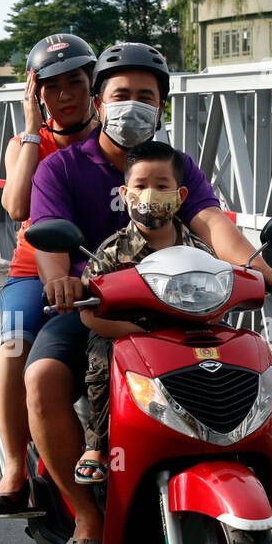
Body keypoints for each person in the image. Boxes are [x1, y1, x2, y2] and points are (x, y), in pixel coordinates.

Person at [26, 42, 272, 544]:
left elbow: (213, 224)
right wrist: (61, 284)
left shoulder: (177, 166)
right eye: (121, 94)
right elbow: (50, 249)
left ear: (162, 107)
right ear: (99, 102)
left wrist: (259, 269)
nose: (133, 105)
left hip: (177, 310)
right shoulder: (60, 168)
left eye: (145, 96)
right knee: (40, 379)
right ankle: (86, 517)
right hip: (97, 309)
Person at [0, 32, 99, 517]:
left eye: (75, 82)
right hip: (37, 272)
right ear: (37, 93)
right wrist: (33, 129)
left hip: (105, 267)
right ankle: (14, 465)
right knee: (16, 340)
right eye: (51, 87)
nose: (66, 95)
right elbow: (15, 207)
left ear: (94, 85)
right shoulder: (27, 143)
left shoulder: (115, 137)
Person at [75, 140, 212, 487]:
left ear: (180, 195)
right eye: (141, 186)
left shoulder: (198, 250)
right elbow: (90, 314)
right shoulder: (110, 251)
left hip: (183, 336)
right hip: (124, 336)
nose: (150, 194)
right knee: (105, 361)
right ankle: (97, 446)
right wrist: (132, 335)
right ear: (125, 192)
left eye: (161, 186)